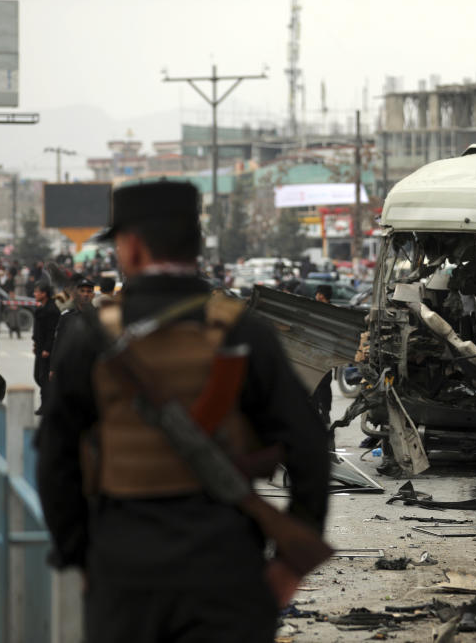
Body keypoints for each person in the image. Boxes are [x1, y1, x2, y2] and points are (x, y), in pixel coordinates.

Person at [36, 180, 330, 643]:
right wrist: (289, 566)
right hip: (226, 570)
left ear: (131, 247)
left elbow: (56, 462)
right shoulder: (245, 331)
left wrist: (82, 557)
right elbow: (310, 448)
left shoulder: (91, 339)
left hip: (126, 572)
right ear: (195, 244)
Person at [32, 281, 59, 414]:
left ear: (44, 294)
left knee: (44, 377)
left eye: (37, 291)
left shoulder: (52, 310)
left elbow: (52, 332)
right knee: (38, 376)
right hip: (40, 347)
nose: (34, 294)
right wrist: (35, 344)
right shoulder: (41, 308)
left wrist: (47, 349)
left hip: (46, 351)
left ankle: (46, 405)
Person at [309, 284, 334, 426]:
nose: (317, 296)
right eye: (317, 293)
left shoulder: (331, 311)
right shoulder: (314, 309)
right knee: (314, 385)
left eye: (319, 294)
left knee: (323, 385)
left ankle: (325, 412)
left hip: (326, 354)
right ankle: (315, 412)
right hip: (314, 354)